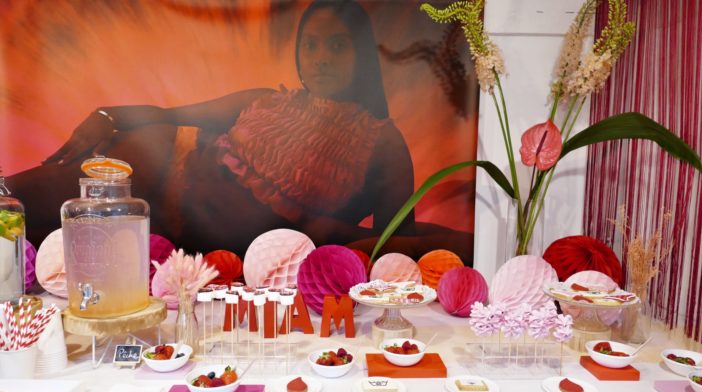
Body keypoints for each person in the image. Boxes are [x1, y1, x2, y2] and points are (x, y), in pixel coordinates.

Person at [8, 0, 420, 257]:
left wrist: (330, 234)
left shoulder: (382, 142)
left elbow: (395, 244)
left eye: (336, 45)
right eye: (309, 45)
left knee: (45, 243)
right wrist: (106, 115)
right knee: (15, 204)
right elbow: (168, 113)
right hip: (155, 160)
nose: (320, 59)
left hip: (171, 231)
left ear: (362, 54)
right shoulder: (266, 100)